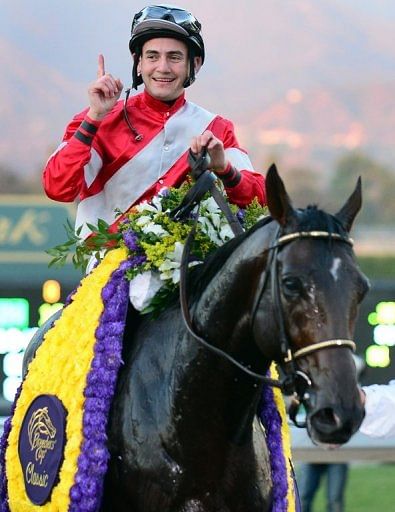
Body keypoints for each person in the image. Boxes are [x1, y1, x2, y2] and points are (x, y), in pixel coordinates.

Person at [42, 4, 266, 241]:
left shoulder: (215, 129)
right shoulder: (96, 120)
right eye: (152, 56)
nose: (163, 68)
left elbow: (259, 201)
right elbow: (57, 188)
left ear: (195, 64)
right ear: (138, 62)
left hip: (188, 265)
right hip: (108, 267)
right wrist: (94, 117)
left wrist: (225, 170)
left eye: (175, 57)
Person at [297, 355, 366, 512]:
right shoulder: (312, 386)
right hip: (313, 449)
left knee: (335, 501)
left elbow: (358, 363)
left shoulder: (349, 393)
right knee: (304, 497)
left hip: (338, 452)